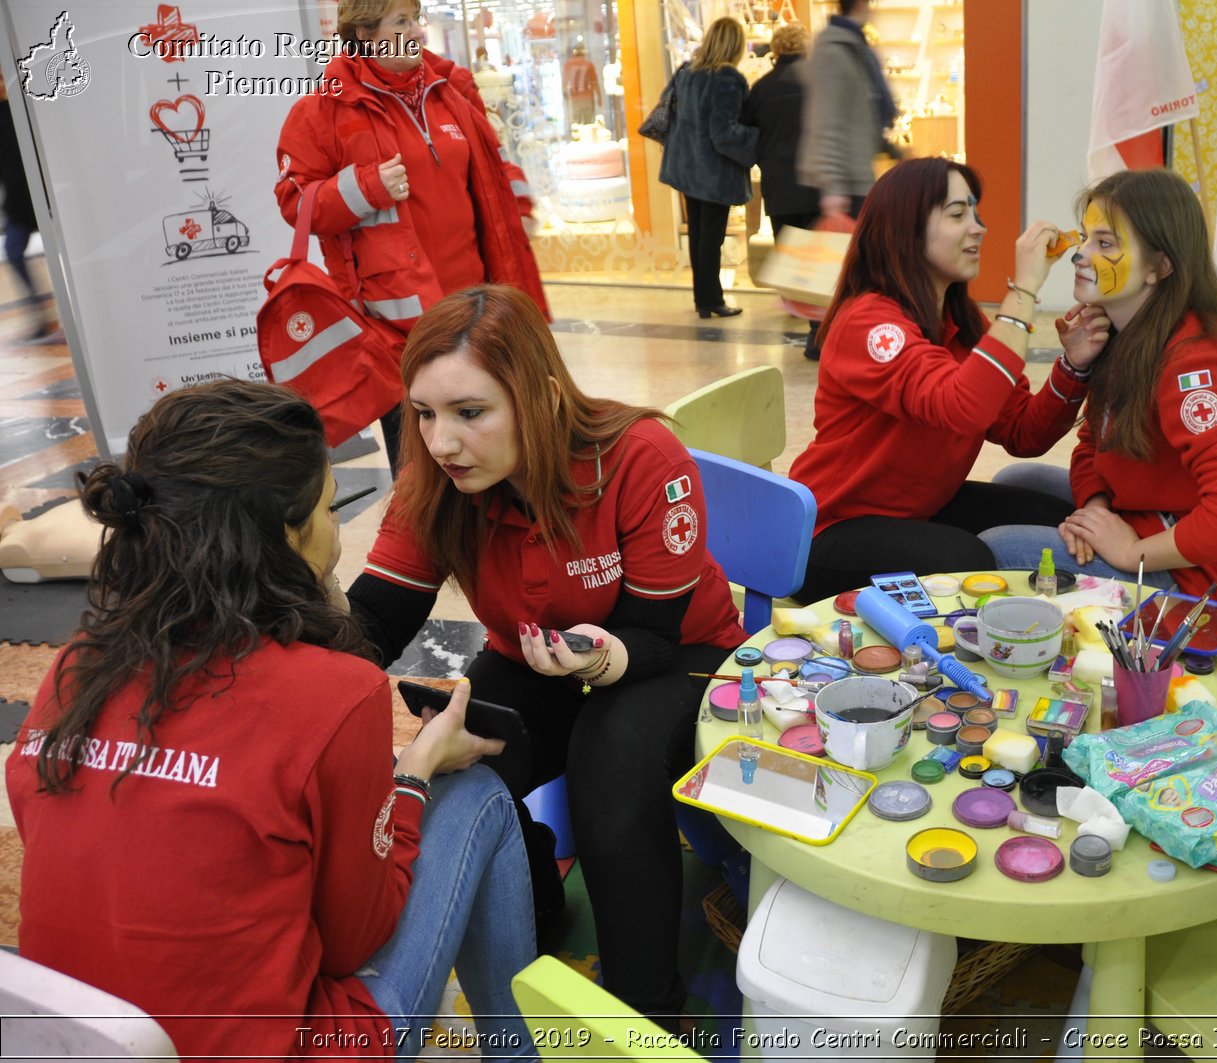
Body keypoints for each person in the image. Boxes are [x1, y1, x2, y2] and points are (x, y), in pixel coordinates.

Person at [4, 380, 535, 1061]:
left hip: (77, 1042)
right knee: (480, 797)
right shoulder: (336, 691)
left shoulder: (76, 666)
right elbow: (355, 937)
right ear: (289, 535)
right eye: (329, 506)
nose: (337, 525)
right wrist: (416, 772)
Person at [342, 284, 747, 1020]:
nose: (440, 441)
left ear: (543, 396)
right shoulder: (435, 479)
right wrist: (272, 672)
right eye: (424, 413)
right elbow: (374, 614)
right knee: (467, 760)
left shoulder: (640, 456)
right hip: (539, 657)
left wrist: (594, 659)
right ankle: (535, 905)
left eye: (470, 412)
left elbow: (654, 634)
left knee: (610, 756)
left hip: (680, 651)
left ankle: (646, 1015)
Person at [980, 168, 1217, 625]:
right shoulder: (1127, 332)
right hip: (1154, 517)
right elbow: (1094, 442)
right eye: (1086, 239)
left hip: (1213, 587)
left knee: (998, 547)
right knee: (1016, 480)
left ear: (1160, 267)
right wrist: (1095, 510)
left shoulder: (1195, 365)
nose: (1079, 255)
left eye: (1105, 244)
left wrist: (1130, 552)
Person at [786, 157, 1100, 602]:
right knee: (967, 559)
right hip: (831, 533)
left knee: (1059, 518)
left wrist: (1074, 366)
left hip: (919, 508)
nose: (978, 228)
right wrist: (1024, 291)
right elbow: (960, 407)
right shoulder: (871, 323)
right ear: (905, 230)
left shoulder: (960, 318)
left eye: (975, 212)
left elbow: (1022, 432)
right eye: (957, 214)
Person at [275, 0, 547, 475]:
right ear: (363, 34)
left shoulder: (452, 89)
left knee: (501, 452)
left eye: (416, 19)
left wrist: (518, 205)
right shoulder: (322, 110)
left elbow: (494, 158)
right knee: (426, 474)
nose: (418, 32)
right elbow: (296, 201)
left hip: (480, 312)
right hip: (399, 333)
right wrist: (366, 187)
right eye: (402, 22)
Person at [659, 17, 759, 318]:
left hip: (687, 166)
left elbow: (670, 112)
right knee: (711, 238)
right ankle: (712, 299)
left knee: (699, 235)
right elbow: (724, 132)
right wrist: (758, 139)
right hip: (714, 172)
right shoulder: (726, 79)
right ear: (735, 45)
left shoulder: (687, 72)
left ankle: (703, 299)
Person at [741, 23, 825, 358]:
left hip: (779, 187)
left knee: (791, 253)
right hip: (817, 185)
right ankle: (818, 333)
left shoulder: (760, 88)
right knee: (819, 259)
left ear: (776, 50)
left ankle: (802, 313)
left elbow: (747, 132)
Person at [798, 0, 897, 223]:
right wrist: (833, 188)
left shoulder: (855, 47)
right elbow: (826, 122)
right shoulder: (834, 51)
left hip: (856, 179)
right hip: (843, 189)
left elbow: (862, 115)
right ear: (861, 4)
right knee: (845, 255)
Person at [0, 78, 56, 341]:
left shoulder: (24, 109)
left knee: (63, 252)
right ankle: (39, 314)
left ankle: (74, 311)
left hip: (44, 195)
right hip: (18, 201)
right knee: (13, 251)